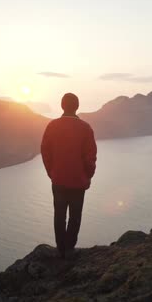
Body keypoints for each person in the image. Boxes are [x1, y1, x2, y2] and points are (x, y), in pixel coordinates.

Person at [41, 93, 97, 259]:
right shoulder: (85, 128)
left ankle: (60, 249)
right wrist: (88, 176)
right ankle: (70, 249)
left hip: (58, 179)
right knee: (75, 216)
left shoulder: (52, 126)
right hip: (78, 181)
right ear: (77, 106)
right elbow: (90, 156)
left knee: (59, 215)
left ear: (62, 106)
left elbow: (45, 151)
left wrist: (51, 172)